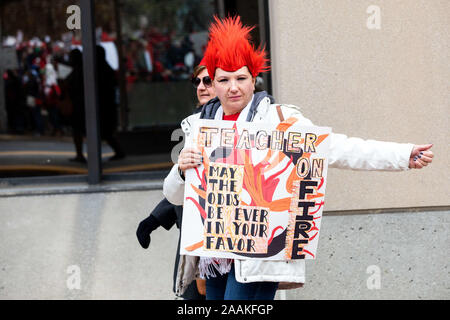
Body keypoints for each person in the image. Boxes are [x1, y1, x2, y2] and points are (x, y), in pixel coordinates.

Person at [162, 16, 434, 300]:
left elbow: (337, 148)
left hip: (260, 256)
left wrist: (402, 155)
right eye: (224, 79)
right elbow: (173, 195)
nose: (233, 87)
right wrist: (182, 170)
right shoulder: (200, 126)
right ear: (212, 83)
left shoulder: (278, 119)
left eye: (241, 78)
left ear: (254, 80)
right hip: (214, 257)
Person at [136, 64, 216, 300]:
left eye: (208, 80)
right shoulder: (191, 125)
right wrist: (154, 219)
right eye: (197, 82)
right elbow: (187, 183)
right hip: (195, 242)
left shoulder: (239, 125)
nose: (201, 87)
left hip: (228, 240)